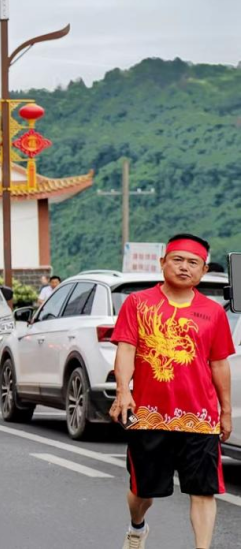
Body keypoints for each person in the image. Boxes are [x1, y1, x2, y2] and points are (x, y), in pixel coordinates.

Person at [110, 234, 234, 549]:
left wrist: (226, 411)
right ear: (162, 262)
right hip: (150, 415)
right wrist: (124, 392)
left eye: (193, 262)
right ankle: (137, 527)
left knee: (203, 491)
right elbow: (125, 351)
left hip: (200, 417)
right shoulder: (138, 303)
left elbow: (219, 365)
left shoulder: (213, 312)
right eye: (177, 259)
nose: (184, 267)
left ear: (203, 270)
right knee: (143, 492)